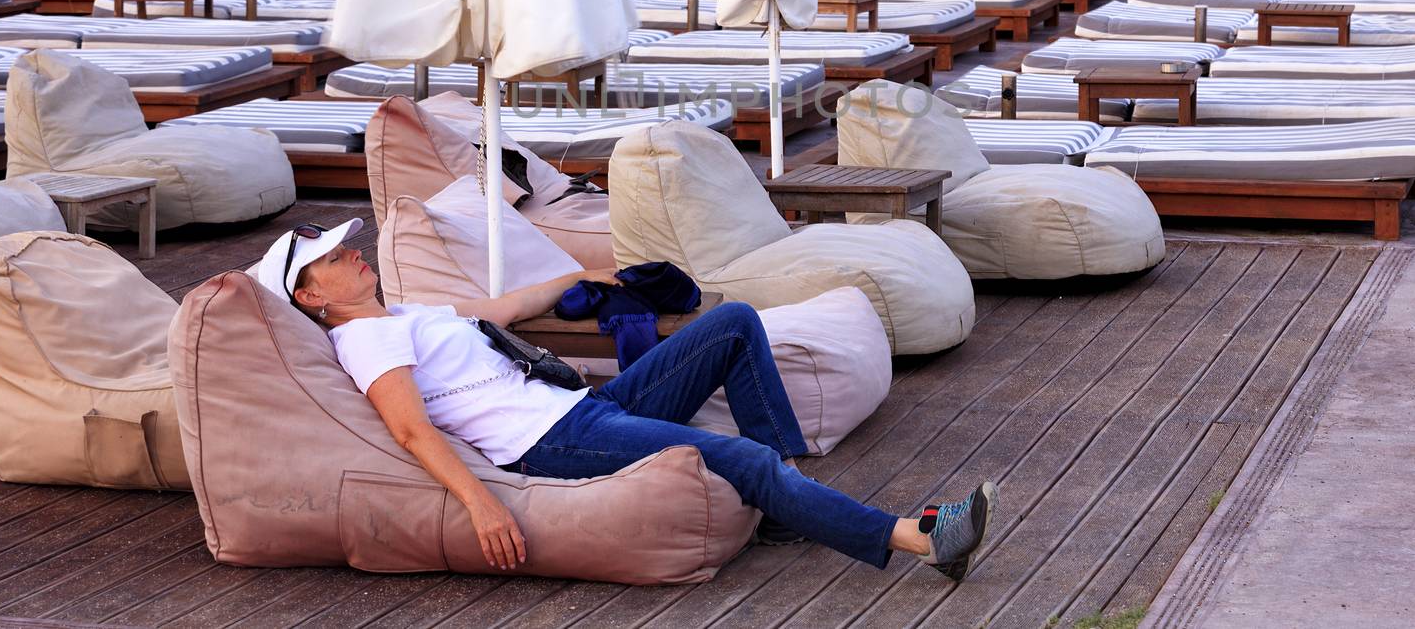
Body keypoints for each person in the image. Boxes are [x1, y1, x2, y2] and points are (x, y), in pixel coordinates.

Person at [256, 220, 998, 581]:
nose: (356, 252)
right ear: (310, 293)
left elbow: (500, 309)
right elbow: (413, 432)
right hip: (550, 441)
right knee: (740, 456)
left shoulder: (403, 315)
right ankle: (920, 539)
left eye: (350, 245)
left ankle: (784, 497)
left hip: (581, 405)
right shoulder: (366, 343)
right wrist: (480, 504)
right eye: (335, 258)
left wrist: (587, 273)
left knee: (732, 324)